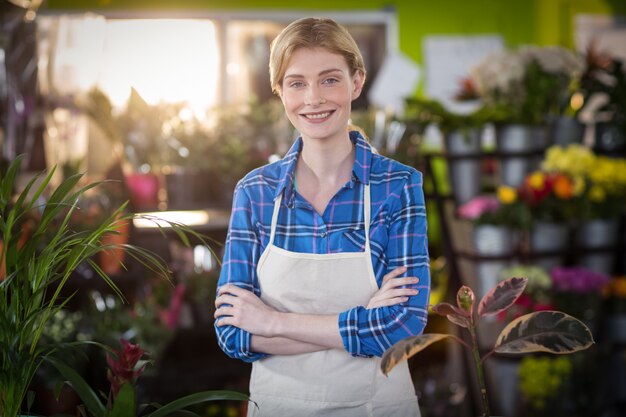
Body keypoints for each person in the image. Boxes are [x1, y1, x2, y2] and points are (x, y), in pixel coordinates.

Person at [214, 17, 430, 417]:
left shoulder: (398, 186)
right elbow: (232, 333)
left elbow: (402, 325)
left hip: (378, 407)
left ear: (356, 82)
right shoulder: (255, 192)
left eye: (330, 79)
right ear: (279, 91)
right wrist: (363, 320)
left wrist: (273, 323)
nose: (313, 98)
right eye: (296, 83)